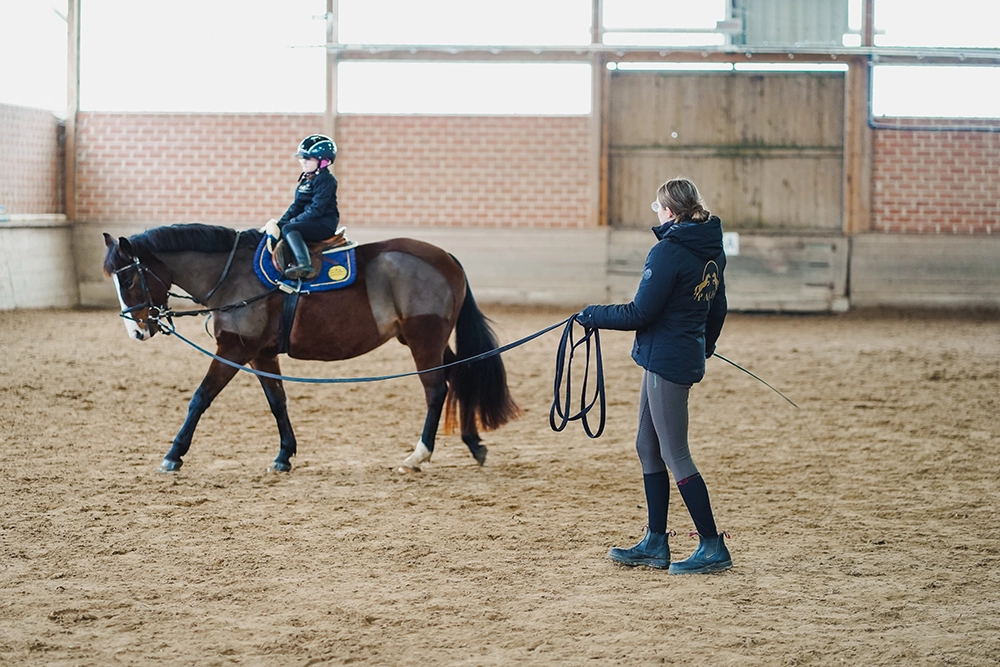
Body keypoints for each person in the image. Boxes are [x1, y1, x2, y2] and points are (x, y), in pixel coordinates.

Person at [575, 176, 730, 575]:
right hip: (675, 357)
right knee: (648, 447)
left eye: (658, 207)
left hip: (667, 362)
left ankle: (712, 545)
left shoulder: (668, 252)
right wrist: (704, 346)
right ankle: (655, 542)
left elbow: (640, 313)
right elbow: (717, 309)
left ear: (670, 211)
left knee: (675, 453)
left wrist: (592, 314)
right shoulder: (710, 249)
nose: (656, 212)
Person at [276, 134, 340, 279]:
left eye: (308, 159)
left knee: (289, 229)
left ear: (323, 162)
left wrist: (292, 222)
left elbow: (317, 209)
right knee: (283, 227)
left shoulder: (326, 181)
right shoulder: (306, 180)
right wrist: (280, 222)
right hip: (310, 220)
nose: (303, 162)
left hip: (323, 223)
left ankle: (304, 264)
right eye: (302, 158)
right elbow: (297, 205)